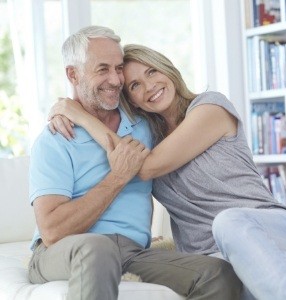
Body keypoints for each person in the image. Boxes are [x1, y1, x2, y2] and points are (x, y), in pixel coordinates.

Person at [48, 43, 286, 300]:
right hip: (211, 254)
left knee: (229, 221)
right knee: (219, 278)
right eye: (135, 85)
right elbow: (140, 185)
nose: (149, 86)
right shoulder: (149, 140)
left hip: (268, 230)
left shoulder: (210, 107)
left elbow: (144, 167)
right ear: (132, 101)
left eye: (152, 71)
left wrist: (81, 116)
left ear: (168, 70)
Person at [28, 26, 242, 300]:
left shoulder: (144, 127)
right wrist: (117, 177)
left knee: (217, 273)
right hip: (63, 251)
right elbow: (52, 232)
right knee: (97, 248)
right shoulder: (56, 140)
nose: (116, 79)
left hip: (131, 252)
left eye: (119, 69)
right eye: (102, 69)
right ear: (73, 74)